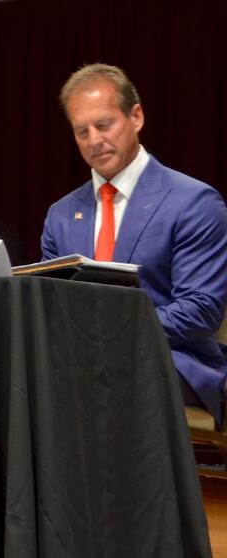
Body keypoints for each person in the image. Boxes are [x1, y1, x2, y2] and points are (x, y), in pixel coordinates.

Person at [41, 63, 227, 424]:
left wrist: (107, 335)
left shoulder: (193, 202)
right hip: (80, 361)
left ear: (136, 117)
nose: (94, 140)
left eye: (104, 124)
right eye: (82, 131)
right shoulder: (61, 215)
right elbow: (52, 307)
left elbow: (200, 309)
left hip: (173, 360)